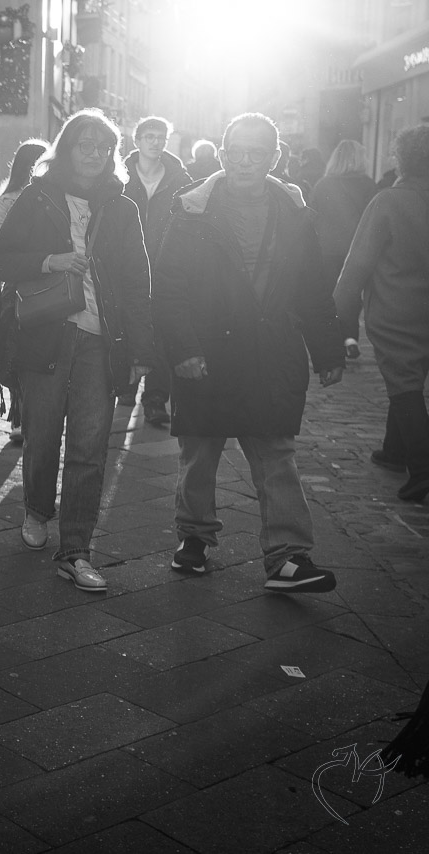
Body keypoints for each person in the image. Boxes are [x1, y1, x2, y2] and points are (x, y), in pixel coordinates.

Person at [152, 112, 345, 591]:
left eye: (256, 152)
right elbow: (169, 287)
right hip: (207, 351)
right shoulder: (193, 210)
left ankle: (288, 556)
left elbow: (313, 288)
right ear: (222, 154)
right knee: (200, 451)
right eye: (236, 151)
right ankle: (194, 538)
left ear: (274, 158)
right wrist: (183, 349)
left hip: (270, 352)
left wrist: (328, 351)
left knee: (276, 452)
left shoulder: (293, 211)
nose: (244, 161)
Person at [0, 108, 154, 593]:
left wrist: (141, 350)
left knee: (90, 447)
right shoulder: (38, 197)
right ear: (67, 148)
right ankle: (38, 508)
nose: (96, 154)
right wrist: (49, 260)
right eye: (86, 145)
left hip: (101, 342)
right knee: (41, 437)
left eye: (105, 147)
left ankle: (76, 550)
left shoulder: (123, 208)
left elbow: (137, 282)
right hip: (45, 336)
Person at [334, 124, 429, 503]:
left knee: (404, 382)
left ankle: (422, 467)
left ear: (401, 159)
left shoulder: (389, 201)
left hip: (397, 310)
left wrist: (336, 315)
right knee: (409, 377)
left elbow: (357, 265)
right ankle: (395, 450)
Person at [120, 116, 192, 425]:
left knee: (162, 328)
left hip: (165, 262)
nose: (155, 142)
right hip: (128, 260)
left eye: (160, 137)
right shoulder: (119, 174)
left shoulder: (179, 177)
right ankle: (126, 385)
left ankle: (155, 399)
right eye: (148, 136)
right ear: (137, 140)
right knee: (128, 321)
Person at [0, 139, 50, 443]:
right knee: (15, 347)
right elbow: (0, 248)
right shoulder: (11, 199)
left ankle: (31, 415)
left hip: (46, 281)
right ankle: (19, 415)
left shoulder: (54, 196)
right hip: (17, 285)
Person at [310, 140, 377, 359]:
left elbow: (312, 217)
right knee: (353, 293)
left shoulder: (323, 184)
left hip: (328, 249)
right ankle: (350, 336)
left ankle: (335, 338)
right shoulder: (368, 185)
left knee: (332, 293)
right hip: (358, 249)